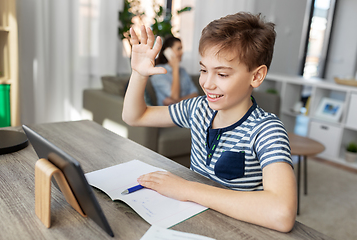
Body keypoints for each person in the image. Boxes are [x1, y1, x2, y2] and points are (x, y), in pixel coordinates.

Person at [122, 12, 297, 232]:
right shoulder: (198, 108)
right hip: (193, 222)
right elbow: (134, 116)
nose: (207, 83)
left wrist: (186, 189)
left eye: (222, 74)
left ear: (256, 76)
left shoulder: (267, 130)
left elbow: (282, 214)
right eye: (203, 70)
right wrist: (138, 73)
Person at [150, 36, 198, 106]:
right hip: (167, 113)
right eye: (178, 49)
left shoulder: (183, 71)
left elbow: (195, 93)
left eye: (181, 49)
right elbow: (174, 96)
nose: (182, 52)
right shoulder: (158, 72)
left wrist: (176, 101)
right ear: (168, 51)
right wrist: (175, 68)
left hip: (186, 109)